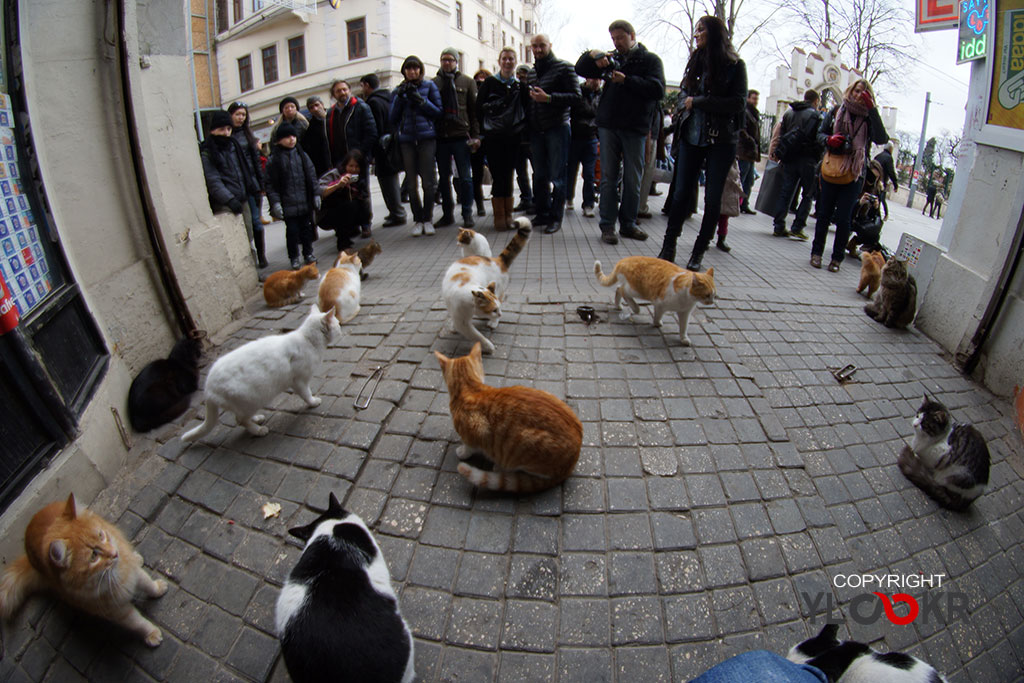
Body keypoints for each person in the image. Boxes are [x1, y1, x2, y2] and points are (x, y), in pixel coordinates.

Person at [657, 16, 747, 271]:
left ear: (715, 33)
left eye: (701, 30)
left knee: (712, 198)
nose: (696, 34)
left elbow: (738, 103)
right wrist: (685, 107)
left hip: (721, 140)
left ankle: (699, 250)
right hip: (691, 136)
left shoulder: (734, 65)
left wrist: (698, 102)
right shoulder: (695, 61)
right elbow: (685, 94)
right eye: (695, 30)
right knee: (680, 193)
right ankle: (668, 244)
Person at [575, 19, 665, 244]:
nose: (616, 43)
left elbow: (658, 90)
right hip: (608, 125)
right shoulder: (610, 59)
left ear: (632, 36)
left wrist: (628, 81)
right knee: (607, 177)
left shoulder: (650, 60)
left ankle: (628, 224)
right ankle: (607, 225)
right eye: (613, 39)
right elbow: (580, 68)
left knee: (633, 178)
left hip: (635, 127)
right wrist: (594, 54)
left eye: (620, 38)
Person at [810, 78, 888, 272]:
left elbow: (881, 138)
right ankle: (816, 253)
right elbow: (819, 135)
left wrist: (872, 110)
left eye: (862, 92)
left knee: (844, 217)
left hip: (854, 173)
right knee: (824, 212)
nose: (857, 94)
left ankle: (836, 259)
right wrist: (830, 139)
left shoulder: (869, 118)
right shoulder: (838, 110)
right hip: (831, 166)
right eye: (855, 90)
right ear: (850, 90)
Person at [525, 34, 581, 235]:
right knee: (539, 175)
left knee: (558, 176)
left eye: (541, 46)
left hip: (557, 128)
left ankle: (556, 218)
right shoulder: (532, 73)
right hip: (537, 131)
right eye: (534, 46)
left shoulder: (564, 67)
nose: (538, 50)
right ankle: (542, 213)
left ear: (550, 45)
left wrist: (548, 98)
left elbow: (576, 97)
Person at [200, 110, 262, 268]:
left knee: (248, 235)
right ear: (213, 130)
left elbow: (244, 169)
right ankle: (243, 270)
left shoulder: (234, 146)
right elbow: (213, 180)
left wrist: (253, 187)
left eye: (228, 129)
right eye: (221, 129)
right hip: (227, 202)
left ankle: (253, 269)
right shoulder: (208, 151)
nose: (226, 133)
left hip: (243, 197)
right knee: (234, 240)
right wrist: (229, 199)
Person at [389, 55, 442, 236]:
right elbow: (392, 117)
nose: (412, 72)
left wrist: (421, 100)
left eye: (415, 68)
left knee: (429, 182)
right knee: (411, 184)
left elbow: (437, 112)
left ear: (420, 70)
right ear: (404, 71)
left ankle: (428, 219)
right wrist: (401, 97)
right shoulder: (398, 90)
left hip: (427, 138)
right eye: (408, 68)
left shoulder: (429, 86)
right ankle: (417, 219)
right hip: (407, 141)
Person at [477, 48, 527, 231]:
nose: (508, 62)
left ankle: (508, 215)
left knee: (509, 175)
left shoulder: (520, 85)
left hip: (513, 137)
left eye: (511, 59)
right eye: (504, 58)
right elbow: (479, 108)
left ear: (515, 61)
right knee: (498, 176)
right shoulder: (490, 83)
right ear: (499, 61)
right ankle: (499, 217)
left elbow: (525, 110)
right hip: (493, 138)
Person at [432, 47, 481, 229]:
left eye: (450, 60)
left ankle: (467, 213)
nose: (447, 63)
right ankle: (447, 214)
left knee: (466, 178)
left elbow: (474, 112)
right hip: (442, 138)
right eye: (444, 59)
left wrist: (476, 136)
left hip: (462, 136)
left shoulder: (468, 82)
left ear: (456, 62)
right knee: (444, 178)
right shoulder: (434, 83)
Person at [265, 122, 322, 269]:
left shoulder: (302, 155)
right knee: (292, 233)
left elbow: (311, 175)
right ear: (279, 140)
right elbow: (270, 185)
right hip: (288, 204)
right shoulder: (274, 160)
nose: (291, 139)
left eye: (293, 136)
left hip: (304, 202)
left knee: (307, 230)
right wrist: (276, 203)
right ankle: (294, 257)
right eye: (287, 137)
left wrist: (316, 194)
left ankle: (308, 253)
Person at [326, 80, 378, 238]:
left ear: (349, 90)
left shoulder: (361, 107)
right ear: (334, 95)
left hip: (358, 159)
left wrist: (360, 154)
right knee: (346, 193)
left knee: (362, 192)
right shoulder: (331, 113)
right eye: (338, 91)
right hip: (341, 161)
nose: (342, 93)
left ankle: (365, 224)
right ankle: (352, 224)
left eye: (344, 89)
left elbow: (371, 133)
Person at [771, 89, 822, 239]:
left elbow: (782, 134)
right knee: (808, 193)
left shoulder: (789, 113)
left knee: (786, 192)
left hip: (789, 158)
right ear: (816, 101)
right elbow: (818, 139)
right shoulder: (815, 115)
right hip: (807, 159)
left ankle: (778, 225)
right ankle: (798, 226)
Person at [360, 73, 407, 228]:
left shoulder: (373, 102)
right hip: (394, 143)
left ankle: (397, 213)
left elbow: (374, 127)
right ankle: (396, 211)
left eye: (362, 86)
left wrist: (373, 152)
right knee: (391, 177)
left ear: (367, 85)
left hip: (383, 147)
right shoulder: (388, 98)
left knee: (386, 179)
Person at [227, 102, 268, 268]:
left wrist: (261, 182)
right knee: (248, 224)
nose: (240, 118)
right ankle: (251, 256)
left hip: (252, 185)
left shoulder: (248, 135)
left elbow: (256, 161)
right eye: (237, 114)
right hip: (238, 185)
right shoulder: (228, 136)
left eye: (243, 115)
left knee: (257, 223)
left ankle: (262, 256)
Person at [317, 150, 370, 253]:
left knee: (360, 206)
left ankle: (351, 230)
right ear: (345, 165)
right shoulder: (335, 174)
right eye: (351, 166)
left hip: (348, 211)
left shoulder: (360, 179)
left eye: (357, 167)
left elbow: (364, 198)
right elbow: (320, 192)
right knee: (346, 207)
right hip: (327, 214)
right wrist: (338, 185)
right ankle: (343, 244)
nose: (353, 169)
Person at [564, 77, 600, 218]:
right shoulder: (577, 92)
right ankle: (568, 197)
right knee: (571, 170)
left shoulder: (601, 95)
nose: (595, 81)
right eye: (592, 78)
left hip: (591, 139)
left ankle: (588, 204)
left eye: (597, 79)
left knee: (590, 173)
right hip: (575, 138)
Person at [513, 64, 536, 213]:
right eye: (519, 76)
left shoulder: (534, 92)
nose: (522, 79)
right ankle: (526, 198)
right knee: (521, 172)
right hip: (517, 137)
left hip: (533, 137)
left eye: (525, 76)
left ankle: (537, 200)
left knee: (538, 172)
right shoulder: (514, 91)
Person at [471, 69, 491, 219]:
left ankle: (499, 204)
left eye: (484, 81)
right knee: (476, 175)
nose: (481, 84)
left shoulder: (493, 95)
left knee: (498, 172)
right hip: (477, 138)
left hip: (492, 137)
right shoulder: (472, 96)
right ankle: (479, 205)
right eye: (478, 82)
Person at [736, 89, 761, 214]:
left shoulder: (753, 113)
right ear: (748, 99)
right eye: (753, 98)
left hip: (750, 153)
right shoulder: (745, 112)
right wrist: (750, 141)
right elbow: (742, 130)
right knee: (742, 178)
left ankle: (743, 203)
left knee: (749, 180)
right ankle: (738, 202)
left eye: (757, 99)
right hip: (744, 152)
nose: (755, 101)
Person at [301, 95, 333, 177]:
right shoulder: (311, 129)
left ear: (322, 104)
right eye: (311, 107)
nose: (315, 109)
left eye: (317, 105)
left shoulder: (334, 117)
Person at [873, 141, 898, 219]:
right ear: (891, 149)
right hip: (881, 182)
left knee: (875, 198)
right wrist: (895, 184)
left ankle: (876, 214)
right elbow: (891, 172)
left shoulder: (878, 156)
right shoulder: (889, 158)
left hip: (873, 179)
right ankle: (880, 216)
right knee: (881, 198)